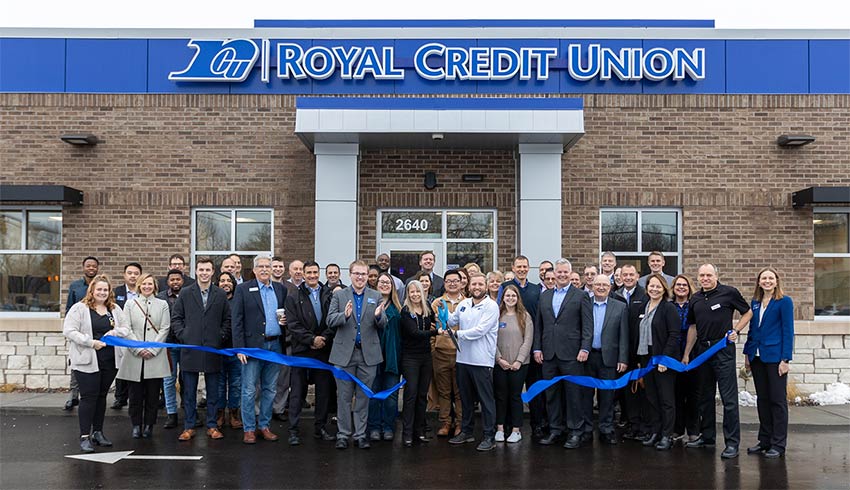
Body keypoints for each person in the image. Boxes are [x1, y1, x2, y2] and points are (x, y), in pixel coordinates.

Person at [683, 264, 752, 459]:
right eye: (701, 275)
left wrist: (736, 330)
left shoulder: (729, 293)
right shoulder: (695, 298)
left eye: (708, 275)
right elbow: (693, 327)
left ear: (716, 276)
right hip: (702, 352)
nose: (705, 278)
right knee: (705, 397)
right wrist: (687, 353)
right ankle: (707, 437)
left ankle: (732, 443)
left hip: (722, 350)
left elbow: (747, 312)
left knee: (728, 399)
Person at [63, 274, 130, 453]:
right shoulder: (80, 308)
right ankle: (84, 436)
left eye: (105, 290)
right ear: (92, 290)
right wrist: (91, 342)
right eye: (99, 289)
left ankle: (98, 432)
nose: (102, 292)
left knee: (101, 397)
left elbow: (126, 328)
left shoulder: (114, 309)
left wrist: (115, 333)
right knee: (88, 397)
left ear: (110, 292)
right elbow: (69, 330)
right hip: (86, 360)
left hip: (109, 360)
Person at [533, 258, 593, 449]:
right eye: (558, 272)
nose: (562, 275)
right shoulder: (545, 296)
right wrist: (537, 348)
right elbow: (539, 325)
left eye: (565, 272)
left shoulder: (580, 295)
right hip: (549, 354)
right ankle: (555, 429)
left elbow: (587, 326)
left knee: (574, 394)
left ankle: (575, 431)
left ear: (570, 273)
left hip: (572, 354)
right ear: (553, 274)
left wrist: (585, 348)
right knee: (551, 394)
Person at [327, 260, 387, 450]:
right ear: (350, 274)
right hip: (344, 354)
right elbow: (329, 320)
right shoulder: (340, 295)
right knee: (343, 397)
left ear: (368, 276)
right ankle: (343, 434)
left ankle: (360, 434)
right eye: (357, 274)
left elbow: (383, 323)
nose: (360, 277)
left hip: (368, 355)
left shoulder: (376, 296)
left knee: (363, 397)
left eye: (363, 274)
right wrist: (343, 316)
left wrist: (378, 316)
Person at [171, 257, 232, 442]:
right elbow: (176, 318)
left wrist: (220, 337)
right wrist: (184, 335)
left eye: (207, 270)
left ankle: (212, 425)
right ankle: (189, 426)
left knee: (213, 391)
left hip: (213, 349)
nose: (204, 273)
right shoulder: (186, 293)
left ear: (213, 272)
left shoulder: (220, 294)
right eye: (201, 270)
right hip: (190, 349)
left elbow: (227, 320)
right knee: (189, 391)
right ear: (195, 271)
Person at [231, 253, 287, 444]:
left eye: (267, 266)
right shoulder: (244, 289)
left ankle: (264, 425)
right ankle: (249, 429)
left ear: (272, 269)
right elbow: (236, 320)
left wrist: (284, 322)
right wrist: (240, 348)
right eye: (260, 266)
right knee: (248, 389)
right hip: (252, 347)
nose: (264, 269)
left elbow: (284, 316)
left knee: (270, 388)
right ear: (254, 270)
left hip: (275, 344)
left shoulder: (280, 289)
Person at [445, 272, 500, 452]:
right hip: (463, 359)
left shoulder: (491, 306)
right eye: (473, 284)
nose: (476, 287)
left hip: (482, 361)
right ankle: (466, 432)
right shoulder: (463, 304)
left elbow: (480, 331)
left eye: (480, 284)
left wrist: (457, 334)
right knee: (466, 400)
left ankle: (489, 435)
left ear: (485, 286)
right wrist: (443, 314)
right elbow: (452, 320)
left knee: (486, 400)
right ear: (468, 286)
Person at [743, 267, 794, 459]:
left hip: (775, 357)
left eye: (770, 278)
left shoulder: (784, 302)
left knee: (777, 401)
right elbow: (752, 330)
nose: (767, 281)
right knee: (762, 400)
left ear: (776, 281)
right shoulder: (755, 303)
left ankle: (778, 444)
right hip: (757, 357)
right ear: (759, 282)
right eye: (764, 278)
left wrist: (785, 359)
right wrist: (747, 354)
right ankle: (764, 440)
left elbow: (788, 331)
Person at [285, 261, 336, 442]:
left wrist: (323, 339)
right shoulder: (293, 297)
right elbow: (293, 325)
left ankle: (320, 427)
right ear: (303, 275)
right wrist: (311, 340)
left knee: (323, 392)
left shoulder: (329, 295)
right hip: (301, 351)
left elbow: (333, 321)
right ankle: (293, 430)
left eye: (315, 272)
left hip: (323, 351)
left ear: (319, 273)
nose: (313, 275)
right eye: (309, 273)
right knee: (298, 392)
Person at [117, 273, 170, 439]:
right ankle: (136, 425)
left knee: (153, 394)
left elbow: (164, 328)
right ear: (139, 285)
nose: (147, 287)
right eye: (144, 284)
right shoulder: (130, 304)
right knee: (135, 395)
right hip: (135, 356)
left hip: (155, 355)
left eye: (150, 284)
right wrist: (137, 349)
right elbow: (127, 328)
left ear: (154, 286)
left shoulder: (162, 304)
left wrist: (153, 349)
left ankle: (149, 425)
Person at [500, 255, 545, 438]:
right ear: (513, 267)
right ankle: (510, 426)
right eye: (518, 266)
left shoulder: (536, 289)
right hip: (509, 348)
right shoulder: (506, 287)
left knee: (534, 390)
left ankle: (537, 425)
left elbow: (540, 318)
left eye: (525, 266)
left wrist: (537, 347)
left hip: (531, 347)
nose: (522, 269)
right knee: (510, 392)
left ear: (529, 268)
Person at [583, 274, 628, 445]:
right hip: (587, 356)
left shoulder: (620, 306)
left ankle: (606, 429)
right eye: (597, 285)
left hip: (609, 357)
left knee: (607, 396)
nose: (601, 287)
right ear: (592, 286)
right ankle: (587, 429)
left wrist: (622, 358)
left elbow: (623, 335)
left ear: (610, 287)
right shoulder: (585, 304)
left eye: (604, 285)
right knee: (586, 395)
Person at [637, 274, 680, 450]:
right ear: (647, 288)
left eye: (658, 286)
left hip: (663, 359)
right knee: (651, 397)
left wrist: (665, 358)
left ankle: (667, 435)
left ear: (664, 288)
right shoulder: (644, 306)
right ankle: (655, 431)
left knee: (666, 399)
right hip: (646, 358)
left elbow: (674, 335)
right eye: (651, 286)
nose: (654, 289)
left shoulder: (668, 308)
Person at [613, 264, 650, 441]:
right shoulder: (616, 295)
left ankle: (643, 426)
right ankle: (631, 424)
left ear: (637, 276)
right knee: (627, 391)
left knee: (641, 390)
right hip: (621, 352)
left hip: (640, 352)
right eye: (624, 274)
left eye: (631, 275)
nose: (627, 277)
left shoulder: (644, 295)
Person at [399, 280, 438, 447]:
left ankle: (419, 431)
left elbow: (438, 321)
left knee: (423, 395)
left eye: (417, 291)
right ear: (408, 294)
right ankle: (406, 433)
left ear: (422, 292)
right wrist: (436, 332)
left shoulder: (428, 310)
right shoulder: (405, 311)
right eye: (411, 292)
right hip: (410, 358)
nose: (414, 294)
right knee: (411, 395)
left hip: (425, 357)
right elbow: (414, 333)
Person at [494, 285, 533, 444]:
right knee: (501, 396)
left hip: (520, 365)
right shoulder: (497, 315)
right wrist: (499, 359)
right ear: (503, 297)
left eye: (513, 296)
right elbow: (491, 340)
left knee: (515, 396)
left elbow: (528, 341)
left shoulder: (524, 316)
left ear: (518, 298)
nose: (510, 298)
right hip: (500, 363)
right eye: (507, 296)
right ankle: (500, 428)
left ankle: (516, 430)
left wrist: (519, 361)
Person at [429, 269, 465, 437]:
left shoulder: (467, 302)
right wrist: (433, 347)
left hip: (461, 353)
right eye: (449, 281)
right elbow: (430, 328)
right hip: (441, 352)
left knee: (459, 391)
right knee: (443, 391)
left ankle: (460, 423)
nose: (452, 283)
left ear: (461, 283)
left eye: (455, 280)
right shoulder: (437, 303)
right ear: (444, 283)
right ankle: (445, 422)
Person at [367, 272, 402, 442]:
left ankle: (388, 426)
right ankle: (373, 426)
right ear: (376, 284)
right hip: (373, 356)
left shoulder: (398, 307)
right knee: (373, 394)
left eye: (387, 282)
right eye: (381, 282)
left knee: (390, 396)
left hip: (392, 356)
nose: (384, 285)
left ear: (392, 286)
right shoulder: (369, 304)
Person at [64, 256, 100, 411]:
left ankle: (93, 395)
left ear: (97, 268)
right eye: (88, 266)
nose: (91, 268)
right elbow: (68, 310)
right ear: (83, 267)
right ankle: (73, 396)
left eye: (94, 266)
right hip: (79, 333)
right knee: (76, 364)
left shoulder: (101, 286)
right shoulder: (75, 286)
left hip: (97, 332)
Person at [671, 274, 699, 444]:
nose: (681, 287)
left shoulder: (695, 306)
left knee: (693, 394)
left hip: (694, 354)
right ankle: (678, 429)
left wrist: (687, 354)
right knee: (677, 394)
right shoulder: (668, 306)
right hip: (673, 354)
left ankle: (694, 430)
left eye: (685, 285)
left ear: (689, 288)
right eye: (678, 285)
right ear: (673, 287)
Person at [111, 262, 142, 410]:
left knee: (136, 365)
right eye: (130, 273)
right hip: (121, 334)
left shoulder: (143, 291)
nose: (133, 276)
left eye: (136, 273)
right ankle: (120, 397)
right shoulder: (116, 292)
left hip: (138, 334)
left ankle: (136, 397)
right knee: (121, 366)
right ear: (124, 275)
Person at [157, 269, 184, 430]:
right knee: (168, 380)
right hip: (168, 344)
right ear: (168, 282)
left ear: (182, 281)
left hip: (186, 344)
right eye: (172, 279)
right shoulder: (161, 297)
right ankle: (171, 413)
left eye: (178, 279)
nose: (175, 282)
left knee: (187, 379)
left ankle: (188, 411)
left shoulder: (188, 294)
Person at [215, 271, 242, 430]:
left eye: (228, 280)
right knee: (218, 385)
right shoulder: (214, 301)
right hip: (218, 350)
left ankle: (233, 415)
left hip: (235, 350)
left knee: (236, 384)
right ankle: (219, 415)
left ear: (233, 283)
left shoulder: (239, 300)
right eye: (222, 280)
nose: (225, 283)